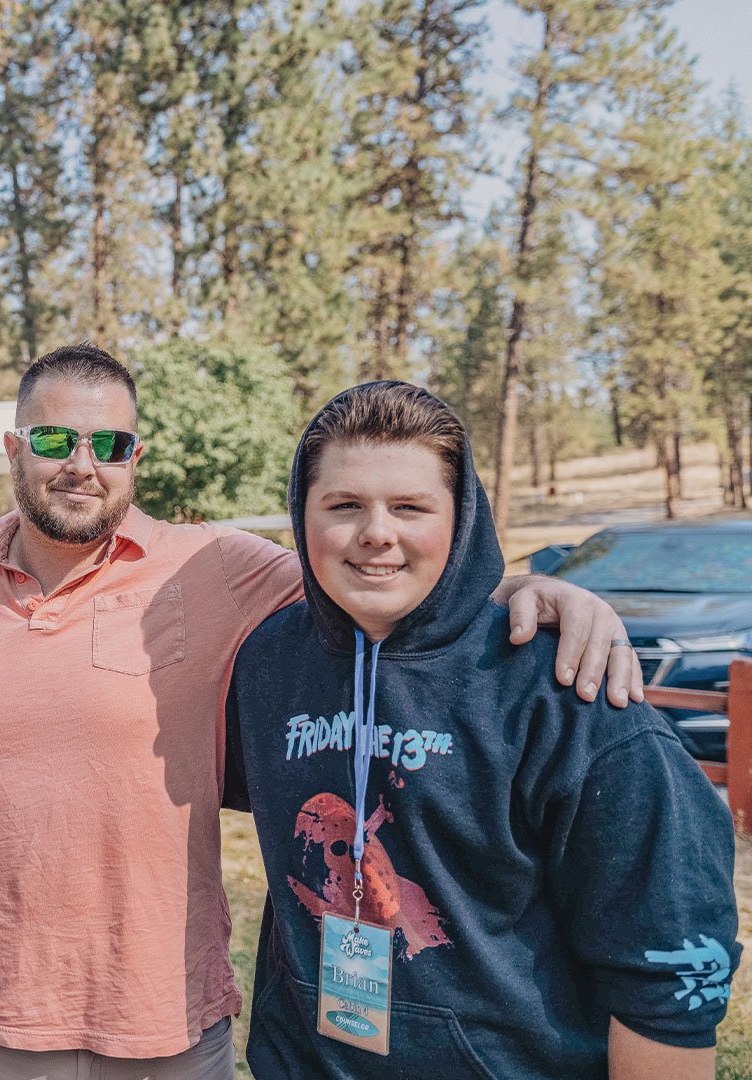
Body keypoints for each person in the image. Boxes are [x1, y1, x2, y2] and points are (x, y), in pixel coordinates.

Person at [0, 344, 641, 1080]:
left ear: (134, 457)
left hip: (168, 1021)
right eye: (52, 439)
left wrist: (527, 592)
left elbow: (381, 567)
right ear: (12, 449)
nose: (80, 463)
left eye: (107, 443)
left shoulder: (219, 567)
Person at [225, 381, 738, 1078]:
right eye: (343, 505)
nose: (376, 531)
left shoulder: (560, 685)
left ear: (460, 520)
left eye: (409, 507)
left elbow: (662, 978)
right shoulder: (267, 662)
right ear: (301, 516)